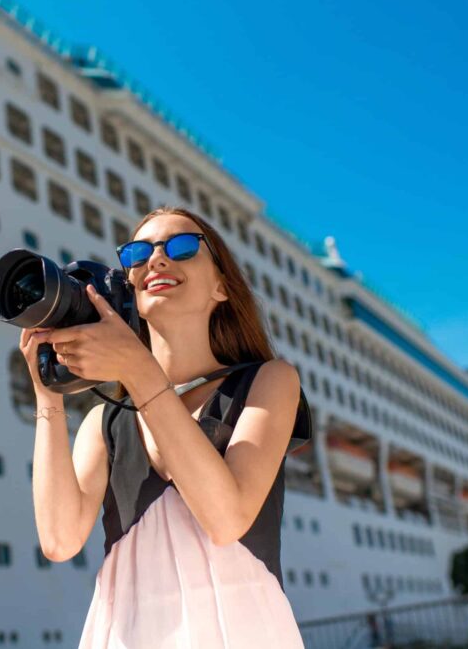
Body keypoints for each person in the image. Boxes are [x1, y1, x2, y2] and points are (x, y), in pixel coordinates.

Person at [20, 206, 312, 648]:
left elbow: (226, 519)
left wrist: (139, 372)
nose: (155, 260)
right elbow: (60, 541)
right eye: (137, 253)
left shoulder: (268, 381)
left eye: (182, 246)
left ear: (222, 286)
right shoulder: (107, 419)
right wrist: (48, 396)